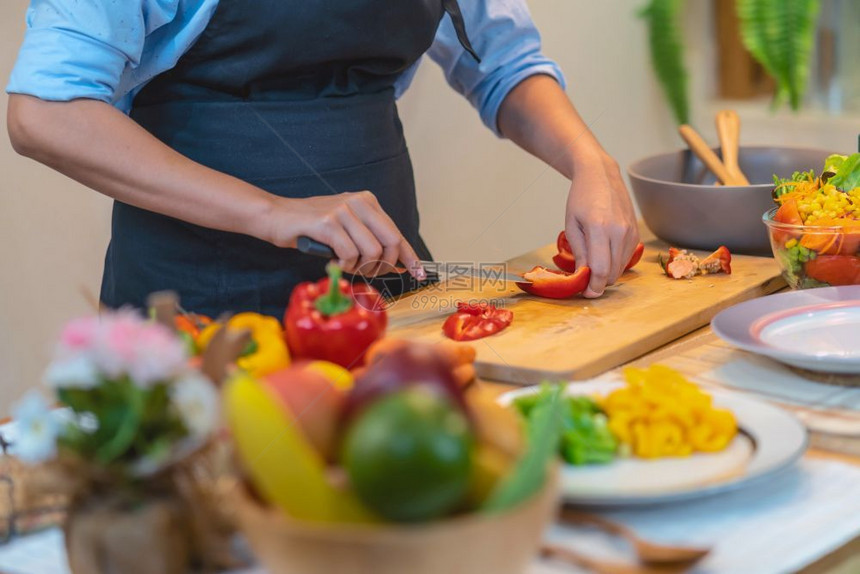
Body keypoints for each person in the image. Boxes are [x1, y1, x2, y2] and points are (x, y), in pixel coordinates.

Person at [7, 0, 638, 318]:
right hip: (199, 298)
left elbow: (503, 65)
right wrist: (270, 211)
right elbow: (45, 112)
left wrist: (591, 162)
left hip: (389, 290)